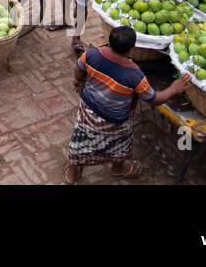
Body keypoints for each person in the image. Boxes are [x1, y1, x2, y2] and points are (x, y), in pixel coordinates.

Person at [66, 26, 191, 183]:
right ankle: (118, 168)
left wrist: (77, 81)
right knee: (121, 143)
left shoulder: (92, 54)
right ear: (131, 49)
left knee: (79, 142)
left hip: (88, 113)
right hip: (115, 122)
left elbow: (78, 69)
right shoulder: (134, 75)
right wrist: (173, 89)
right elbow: (153, 99)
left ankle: (72, 174)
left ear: (109, 41)